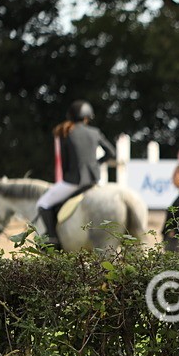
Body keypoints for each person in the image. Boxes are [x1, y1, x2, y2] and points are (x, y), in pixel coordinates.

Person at [35, 99, 117, 246]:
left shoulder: (67, 133)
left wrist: (66, 177)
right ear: (87, 117)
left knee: (43, 203)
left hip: (74, 181)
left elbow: (65, 163)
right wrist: (97, 163)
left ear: (71, 117)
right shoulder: (95, 132)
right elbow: (111, 152)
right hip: (93, 180)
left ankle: (52, 238)